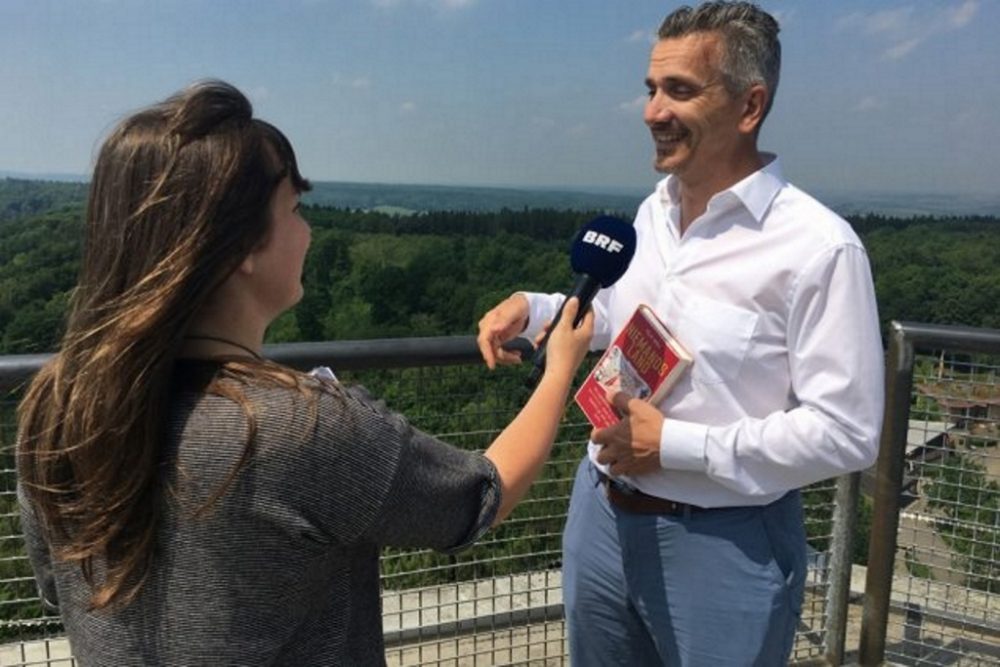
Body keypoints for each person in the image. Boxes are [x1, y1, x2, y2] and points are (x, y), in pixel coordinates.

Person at [16, 80, 594, 665]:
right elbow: (481, 498)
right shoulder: (299, 427)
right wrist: (560, 369)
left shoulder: (61, 408)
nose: (308, 230)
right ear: (240, 244)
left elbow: (58, 588)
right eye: (294, 209)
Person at [477, 2, 884, 664]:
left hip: (726, 545)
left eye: (680, 90)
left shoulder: (819, 249)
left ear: (749, 107)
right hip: (600, 514)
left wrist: (676, 445)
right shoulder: (655, 212)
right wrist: (538, 306)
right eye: (651, 88)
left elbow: (847, 429)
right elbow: (619, 319)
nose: (652, 112)